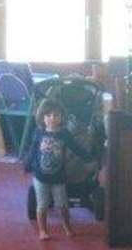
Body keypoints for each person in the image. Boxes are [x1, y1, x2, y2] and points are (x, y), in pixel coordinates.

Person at [25, 98, 89, 240]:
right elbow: (33, 150)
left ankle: (67, 226)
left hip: (58, 177)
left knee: (62, 205)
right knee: (42, 204)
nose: (52, 119)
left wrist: (88, 158)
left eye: (56, 115)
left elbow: (76, 148)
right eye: (48, 115)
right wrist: (27, 164)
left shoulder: (64, 134)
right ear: (42, 117)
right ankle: (43, 230)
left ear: (61, 117)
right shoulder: (39, 133)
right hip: (40, 176)